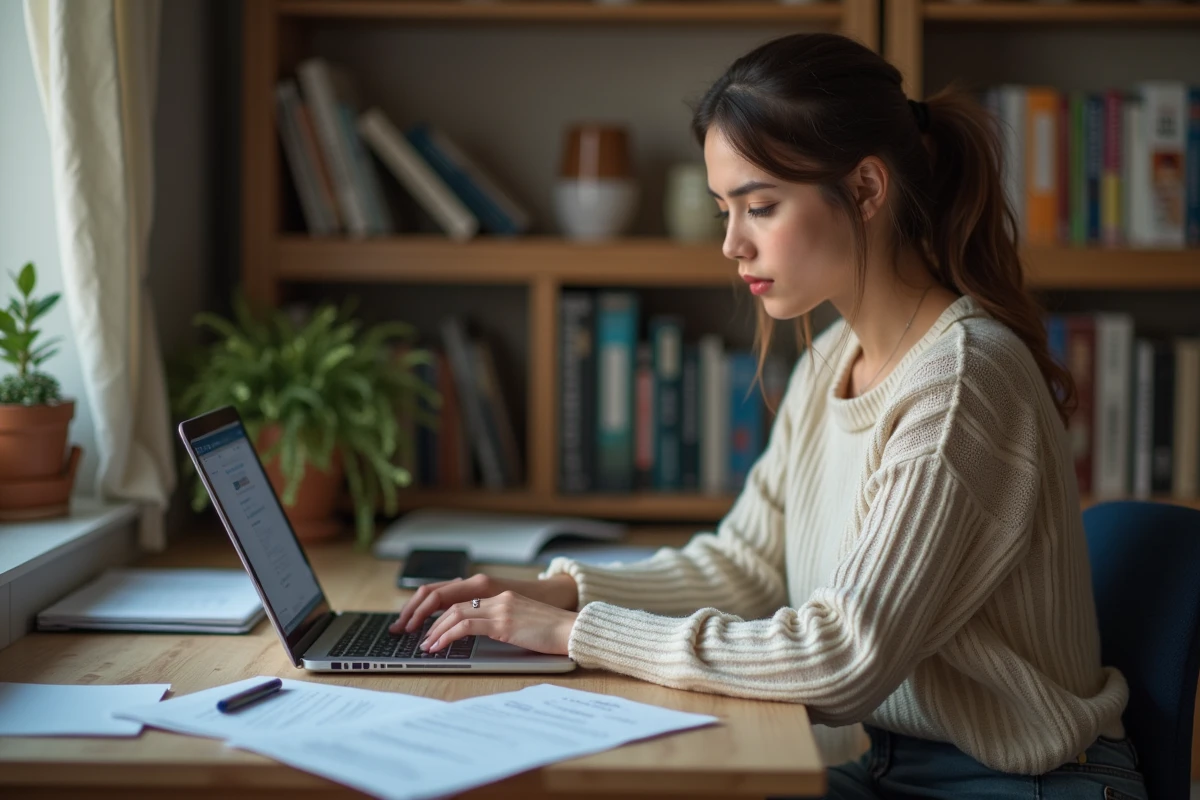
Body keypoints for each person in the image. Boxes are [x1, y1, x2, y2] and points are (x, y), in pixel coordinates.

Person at [390, 32, 1144, 799]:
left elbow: (842, 662)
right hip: (899, 768)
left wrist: (578, 635)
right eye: (725, 209)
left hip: (1026, 785)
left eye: (760, 206)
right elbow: (746, 567)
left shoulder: (960, 383)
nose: (731, 244)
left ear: (867, 190)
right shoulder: (829, 361)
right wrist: (569, 592)